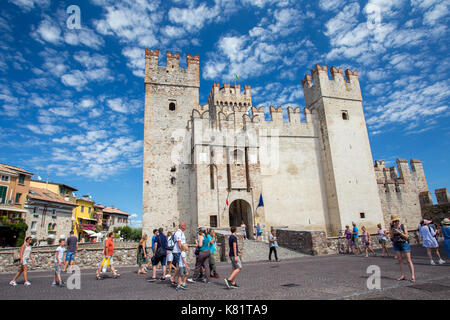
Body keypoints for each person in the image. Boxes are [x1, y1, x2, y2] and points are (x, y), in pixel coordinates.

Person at [390, 214, 415, 282]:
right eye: (394, 221)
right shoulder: (392, 227)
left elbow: (406, 236)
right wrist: (392, 232)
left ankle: (413, 276)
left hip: (404, 244)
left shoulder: (403, 226)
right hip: (396, 244)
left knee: (408, 260)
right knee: (400, 260)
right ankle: (402, 275)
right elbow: (391, 237)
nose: (395, 222)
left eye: (396, 221)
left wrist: (399, 232)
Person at [170, 222, 187, 286]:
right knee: (180, 266)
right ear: (182, 226)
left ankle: (173, 278)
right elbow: (179, 243)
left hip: (179, 251)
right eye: (185, 225)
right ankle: (179, 282)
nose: (185, 226)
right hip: (177, 251)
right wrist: (183, 250)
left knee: (179, 267)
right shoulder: (178, 233)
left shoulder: (181, 233)